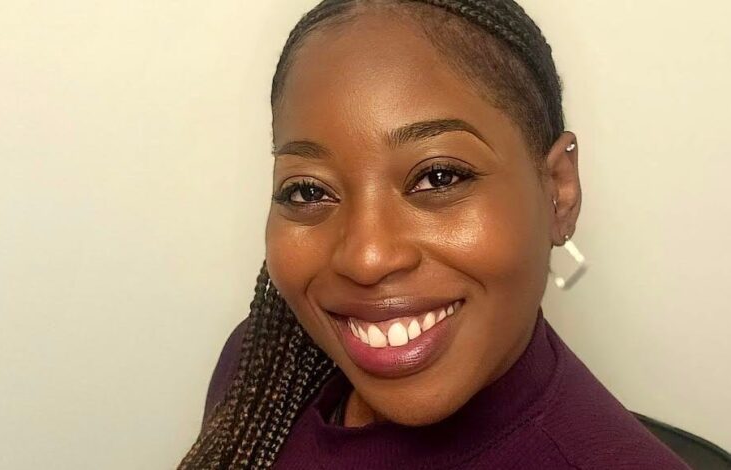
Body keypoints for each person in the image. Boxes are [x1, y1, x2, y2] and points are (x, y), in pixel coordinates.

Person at [180, 1, 689, 468]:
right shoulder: (261, 369)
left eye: (438, 177)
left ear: (558, 189)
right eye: (309, 191)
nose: (367, 257)